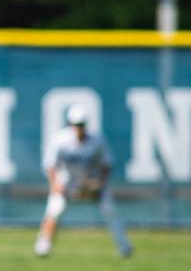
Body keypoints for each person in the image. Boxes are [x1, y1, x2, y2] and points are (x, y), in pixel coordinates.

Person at [34, 104, 133, 258]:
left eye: (81, 125)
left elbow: (107, 164)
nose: (79, 128)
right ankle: (44, 245)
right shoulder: (60, 140)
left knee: (110, 210)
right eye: (76, 125)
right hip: (67, 180)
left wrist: (99, 183)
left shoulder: (97, 140)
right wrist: (55, 184)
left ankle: (124, 247)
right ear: (70, 124)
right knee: (56, 208)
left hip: (90, 180)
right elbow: (50, 164)